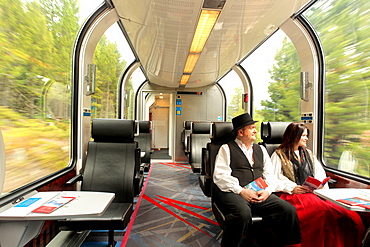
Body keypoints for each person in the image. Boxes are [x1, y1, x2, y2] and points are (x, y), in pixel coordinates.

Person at [212, 113, 302, 247]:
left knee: (288, 210)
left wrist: (267, 191)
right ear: (240, 132)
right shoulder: (226, 148)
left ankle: (288, 244)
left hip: (260, 191)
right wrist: (241, 191)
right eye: (252, 128)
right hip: (234, 192)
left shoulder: (261, 149)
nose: (256, 131)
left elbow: (270, 175)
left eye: (255, 127)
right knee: (242, 214)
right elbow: (220, 176)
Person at [271, 122, 365, 247]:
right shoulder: (279, 155)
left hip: (312, 192)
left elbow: (319, 173)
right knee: (320, 214)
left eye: (306, 135)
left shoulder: (309, 154)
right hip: (292, 193)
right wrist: (292, 187)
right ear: (294, 136)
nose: (306, 139)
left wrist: (320, 185)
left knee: (346, 214)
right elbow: (273, 178)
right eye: (303, 136)